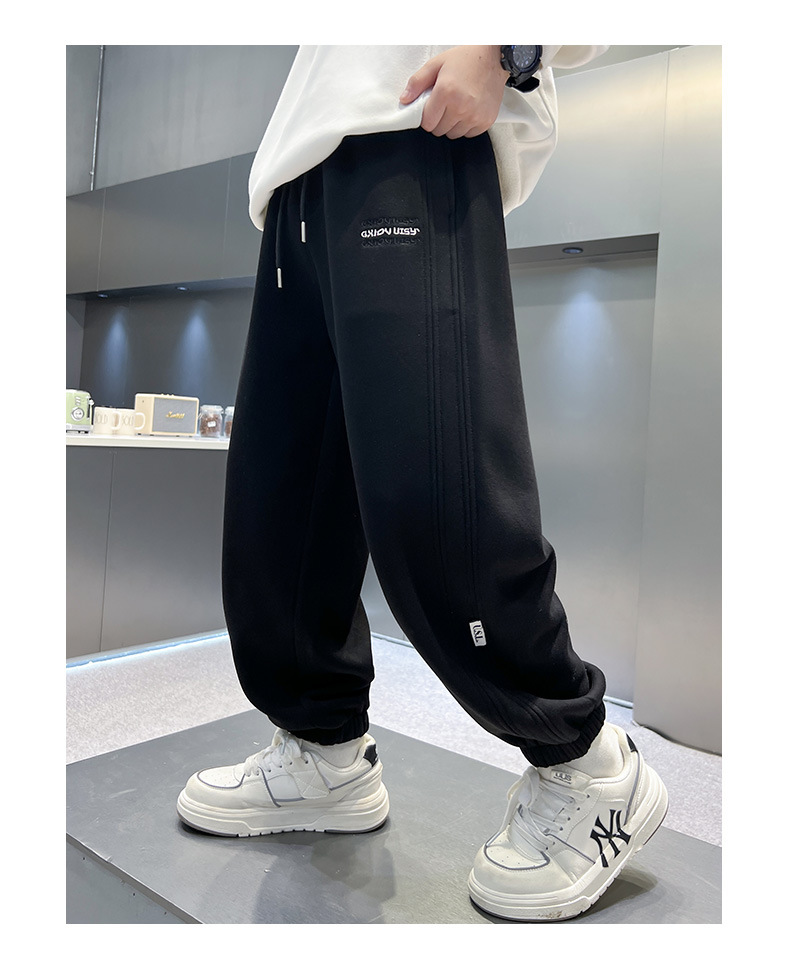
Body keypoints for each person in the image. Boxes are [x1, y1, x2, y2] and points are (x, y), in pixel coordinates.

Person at [176, 45, 669, 922]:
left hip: (410, 137)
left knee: (434, 500)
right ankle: (324, 750)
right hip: (296, 186)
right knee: (282, 502)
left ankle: (589, 763)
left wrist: (507, 47)